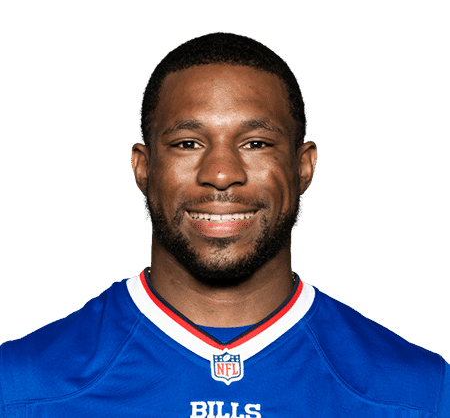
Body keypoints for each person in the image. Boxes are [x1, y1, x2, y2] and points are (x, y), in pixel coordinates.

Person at [1, 32, 448, 417]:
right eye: (188, 143)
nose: (220, 173)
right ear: (142, 167)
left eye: (255, 143)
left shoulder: (420, 393)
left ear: (304, 167)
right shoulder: (21, 387)